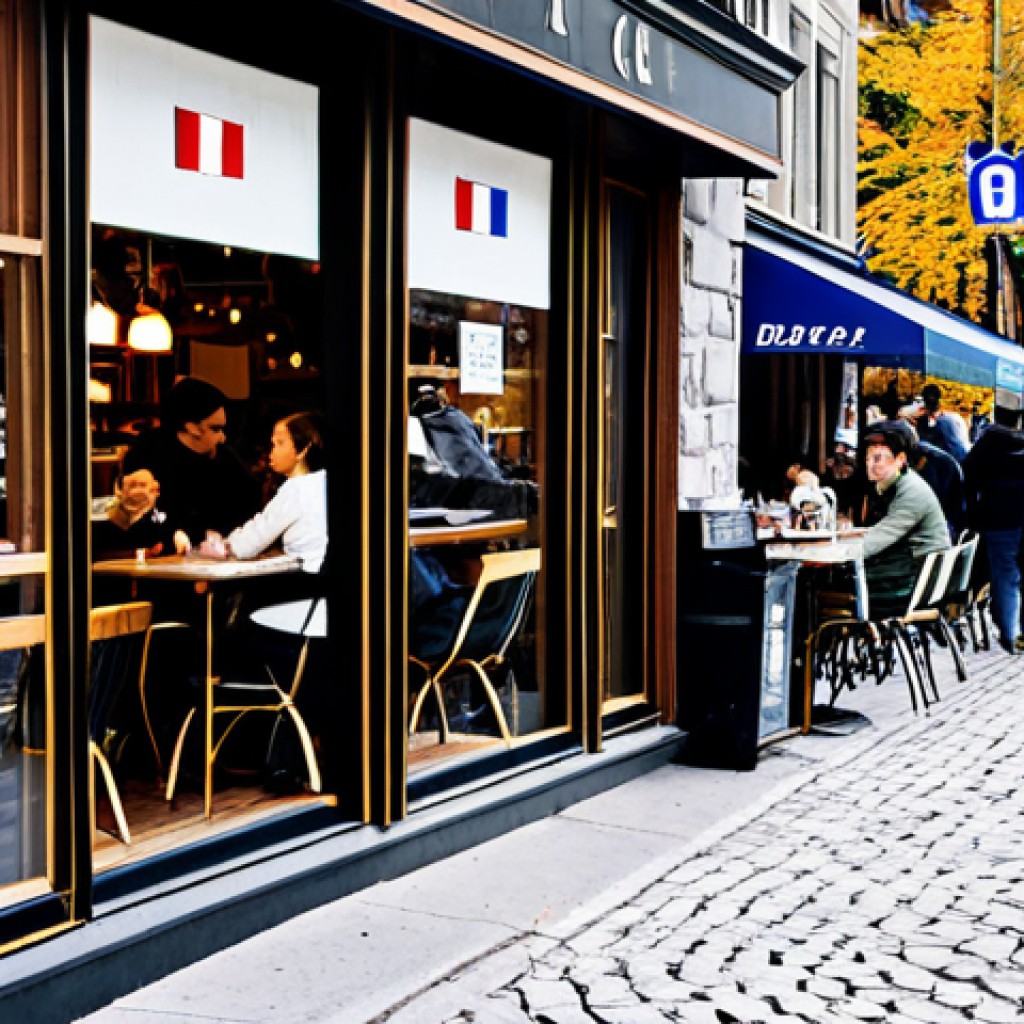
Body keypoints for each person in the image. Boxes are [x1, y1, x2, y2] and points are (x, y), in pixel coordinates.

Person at [123, 376, 261, 548]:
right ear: (192, 427)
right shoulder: (146, 457)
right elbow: (137, 520)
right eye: (215, 429)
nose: (222, 437)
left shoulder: (228, 461)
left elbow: (251, 506)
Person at [199, 413, 327, 574]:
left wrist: (225, 546)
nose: (271, 452)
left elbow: (256, 536)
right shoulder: (321, 482)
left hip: (303, 582)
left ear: (302, 450)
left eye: (279, 444)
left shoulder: (296, 490)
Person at [861, 420, 951, 618]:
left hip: (915, 582)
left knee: (836, 586)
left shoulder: (911, 492)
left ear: (900, 459)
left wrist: (837, 553)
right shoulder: (897, 483)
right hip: (910, 571)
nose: (870, 465)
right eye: (868, 458)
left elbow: (879, 538)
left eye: (878, 459)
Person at [962, 405, 1024, 653]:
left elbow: (966, 478)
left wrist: (974, 516)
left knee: (1005, 576)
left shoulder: (986, 445)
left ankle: (1010, 634)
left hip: (998, 519)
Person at [902, 384, 970, 462]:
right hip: (967, 458)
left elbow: (925, 444)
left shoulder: (939, 423)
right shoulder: (956, 417)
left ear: (925, 402)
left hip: (956, 464)